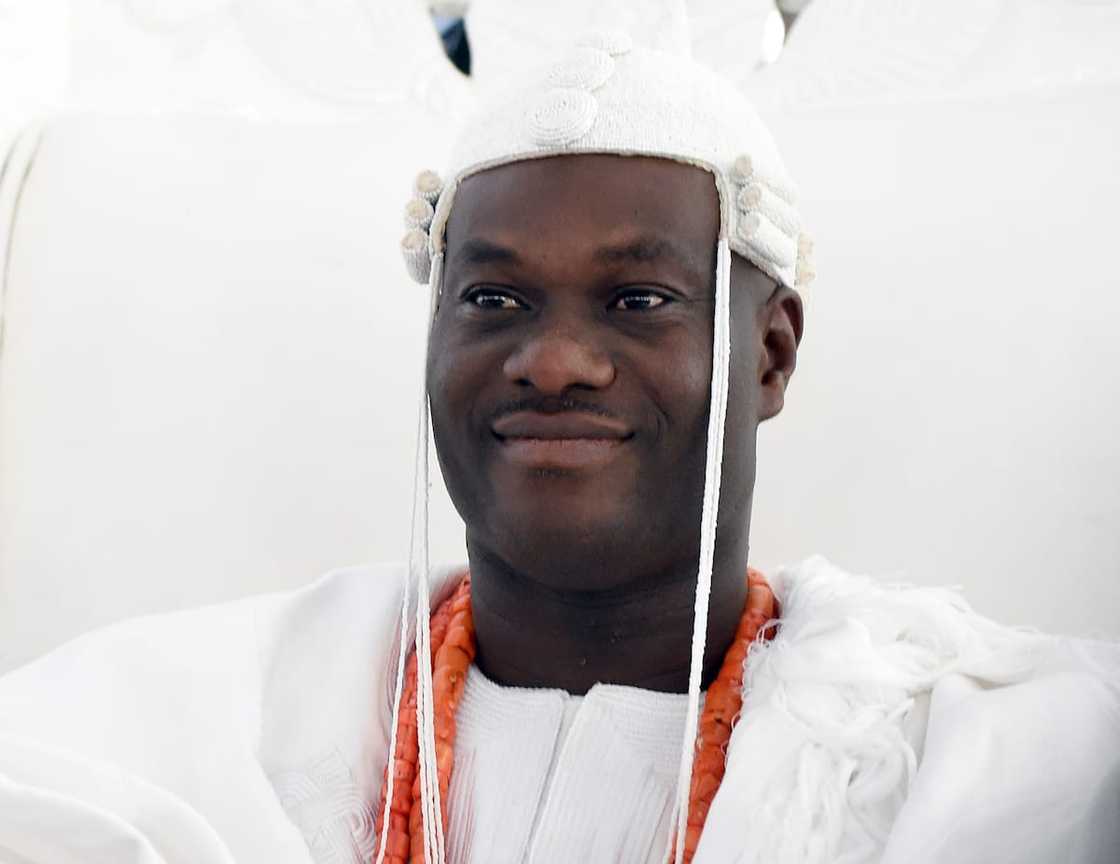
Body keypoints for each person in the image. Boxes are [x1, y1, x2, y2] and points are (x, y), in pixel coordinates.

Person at [1, 28, 1117, 864]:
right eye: (491, 297)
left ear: (768, 356)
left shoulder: (988, 753)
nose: (552, 360)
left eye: (637, 300)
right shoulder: (178, 726)